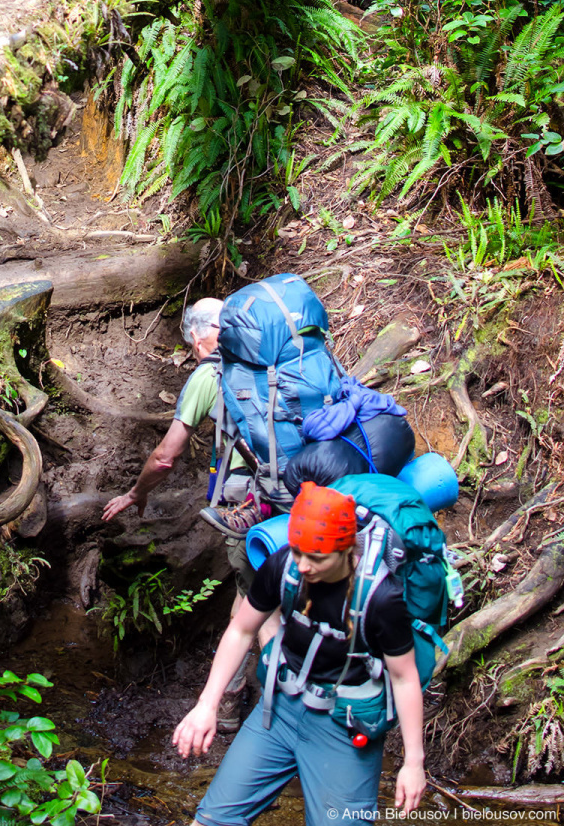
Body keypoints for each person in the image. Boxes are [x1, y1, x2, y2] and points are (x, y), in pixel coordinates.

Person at [172, 481, 427, 826]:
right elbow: (242, 629)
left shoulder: (381, 598)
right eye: (298, 551)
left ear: (347, 549)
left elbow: (404, 677)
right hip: (278, 711)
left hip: (344, 726)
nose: (303, 566)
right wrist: (207, 705)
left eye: (316, 558)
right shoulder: (284, 565)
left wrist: (413, 762)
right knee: (212, 820)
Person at [101, 298, 263, 614]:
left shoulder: (210, 374)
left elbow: (165, 457)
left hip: (258, 495)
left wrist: (136, 492)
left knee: (256, 608)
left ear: (194, 335)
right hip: (308, 480)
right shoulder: (267, 359)